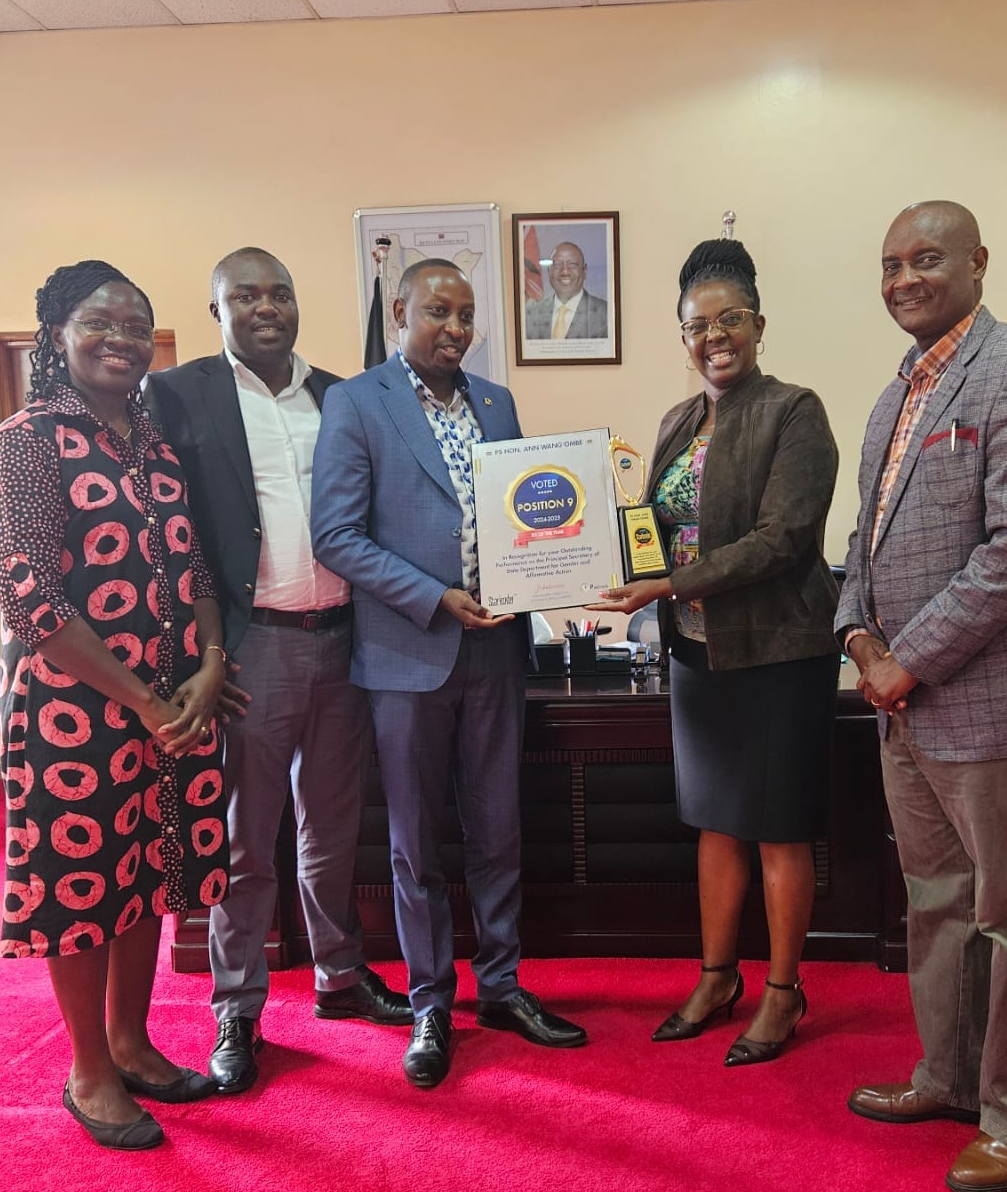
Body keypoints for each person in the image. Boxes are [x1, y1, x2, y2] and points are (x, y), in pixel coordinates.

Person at [836, 200, 1007, 1192]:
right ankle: (948, 1079)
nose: (903, 276)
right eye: (890, 262)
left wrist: (908, 660)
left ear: (977, 262)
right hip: (903, 709)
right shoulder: (890, 398)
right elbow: (861, 547)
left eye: (925, 258)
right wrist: (859, 637)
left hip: (1006, 708)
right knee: (938, 904)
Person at [311, 258, 587, 1089]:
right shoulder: (357, 403)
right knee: (415, 843)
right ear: (400, 311)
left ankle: (500, 986)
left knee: (499, 826)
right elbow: (336, 536)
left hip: (497, 652)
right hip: (406, 654)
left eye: (467, 315)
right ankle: (431, 1001)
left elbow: (525, 516)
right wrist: (436, 596)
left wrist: (555, 570)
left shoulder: (496, 402)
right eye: (439, 311)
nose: (456, 329)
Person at [145, 248, 411, 1095]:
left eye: (280, 294)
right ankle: (238, 1007)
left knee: (333, 830)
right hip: (247, 646)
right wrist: (194, 650)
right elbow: (167, 532)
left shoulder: (344, 393)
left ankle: (338, 975)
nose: (266, 307)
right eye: (245, 296)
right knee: (245, 839)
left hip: (343, 640)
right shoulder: (179, 393)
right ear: (216, 308)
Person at [0, 260, 228, 1150]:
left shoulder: (153, 444)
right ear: (55, 335)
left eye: (135, 324)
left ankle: (132, 1042)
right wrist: (142, 700)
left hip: (169, 701)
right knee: (82, 885)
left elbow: (194, 567)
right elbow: (32, 602)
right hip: (72, 714)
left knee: (148, 874)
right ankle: (88, 1070)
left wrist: (206, 666)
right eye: (98, 321)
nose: (119, 337)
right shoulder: (25, 442)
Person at [593, 237, 841, 1065]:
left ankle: (782, 990)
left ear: (758, 323)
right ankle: (715, 976)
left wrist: (669, 585)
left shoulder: (793, 412)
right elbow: (651, 530)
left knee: (776, 826)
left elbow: (783, 538)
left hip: (776, 652)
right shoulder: (675, 422)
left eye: (729, 318)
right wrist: (598, 547)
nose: (713, 336)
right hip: (696, 655)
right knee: (712, 823)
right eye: (696, 325)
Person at [524, 241, 608, 340]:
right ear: (549, 271)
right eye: (557, 265)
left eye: (572, 265)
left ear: (584, 271)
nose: (565, 271)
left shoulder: (607, 314)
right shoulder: (530, 315)